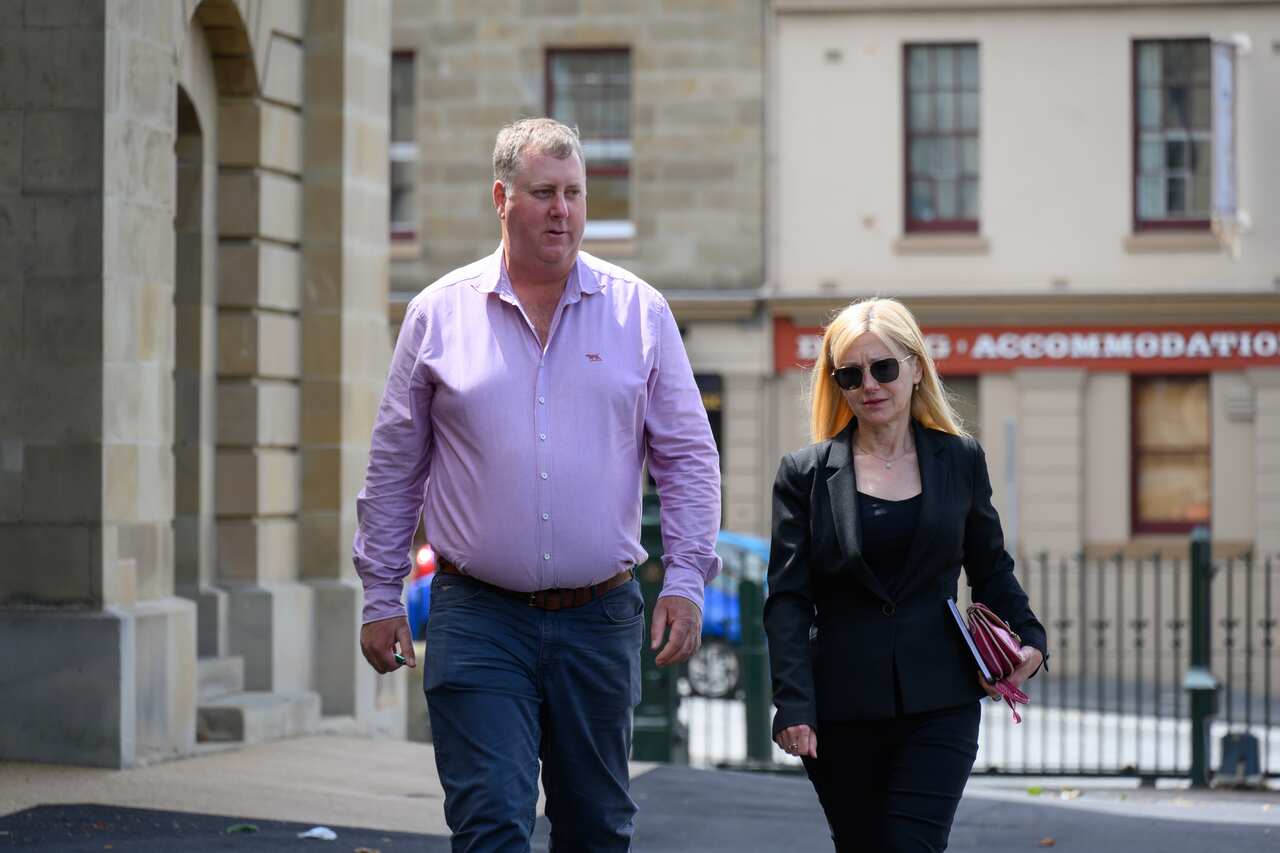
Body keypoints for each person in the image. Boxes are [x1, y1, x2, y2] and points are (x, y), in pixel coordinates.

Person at [351, 117, 722, 852]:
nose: (563, 210)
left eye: (575, 193)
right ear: (502, 197)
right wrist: (379, 591)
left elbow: (687, 458)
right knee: (490, 824)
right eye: (544, 192)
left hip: (599, 618)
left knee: (596, 828)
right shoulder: (437, 314)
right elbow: (394, 465)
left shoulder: (640, 313)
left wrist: (686, 577)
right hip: (477, 615)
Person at [763, 297, 1047, 852]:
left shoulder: (960, 459)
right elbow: (789, 600)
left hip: (941, 700)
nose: (869, 384)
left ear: (916, 368)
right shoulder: (805, 475)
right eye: (851, 374)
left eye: (884, 367)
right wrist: (792, 703)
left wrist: (1031, 640)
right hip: (840, 709)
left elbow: (991, 571)